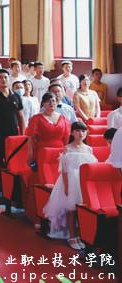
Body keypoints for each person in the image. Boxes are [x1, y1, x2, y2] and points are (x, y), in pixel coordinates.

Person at [42, 121, 96, 250]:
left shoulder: (89, 149)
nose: (80, 133)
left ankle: (81, 236)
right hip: (70, 180)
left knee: (82, 209)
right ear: (72, 133)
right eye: (77, 131)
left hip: (83, 181)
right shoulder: (68, 148)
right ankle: (72, 236)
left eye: (83, 131)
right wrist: (66, 186)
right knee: (71, 209)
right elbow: (64, 169)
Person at [0, 69, 25, 208]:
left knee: (13, 167)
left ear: (9, 79)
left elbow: (21, 117)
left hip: (13, 138)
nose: (3, 79)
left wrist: (22, 136)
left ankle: (12, 196)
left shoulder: (16, 96)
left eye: (5, 77)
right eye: (0, 77)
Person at [26, 93, 69, 168]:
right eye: (48, 101)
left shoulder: (63, 118)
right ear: (43, 103)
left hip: (60, 152)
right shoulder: (36, 118)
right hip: (42, 152)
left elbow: (66, 138)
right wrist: (30, 155)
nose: (51, 103)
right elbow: (31, 139)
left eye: (53, 101)